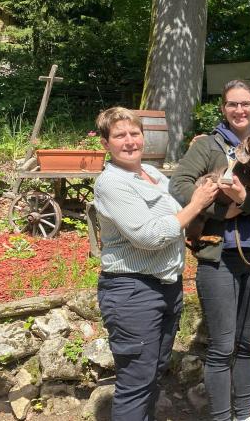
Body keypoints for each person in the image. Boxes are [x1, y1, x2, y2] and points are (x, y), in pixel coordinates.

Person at [169, 80, 250, 421]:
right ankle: (222, 417)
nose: (239, 110)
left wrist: (242, 201)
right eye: (232, 104)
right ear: (223, 108)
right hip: (217, 255)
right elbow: (178, 186)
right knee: (222, 346)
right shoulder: (207, 146)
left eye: (246, 103)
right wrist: (221, 211)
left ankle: (243, 414)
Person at [94, 107, 218, 421]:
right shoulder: (111, 183)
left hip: (166, 287)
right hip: (133, 291)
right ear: (106, 143)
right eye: (119, 135)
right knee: (136, 382)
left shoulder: (154, 175)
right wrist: (197, 204)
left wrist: (196, 160)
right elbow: (149, 235)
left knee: (152, 376)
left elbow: (179, 202)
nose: (129, 141)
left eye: (134, 133)